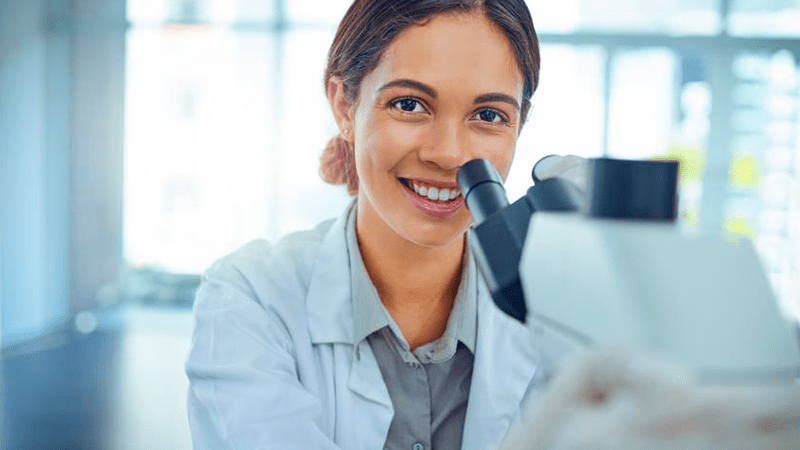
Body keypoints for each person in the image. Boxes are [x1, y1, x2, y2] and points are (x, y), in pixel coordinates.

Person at [185, 1, 800, 449]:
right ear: (345, 106)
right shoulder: (249, 298)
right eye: (409, 104)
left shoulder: (558, 311)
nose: (450, 154)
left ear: (518, 129)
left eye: (487, 115)